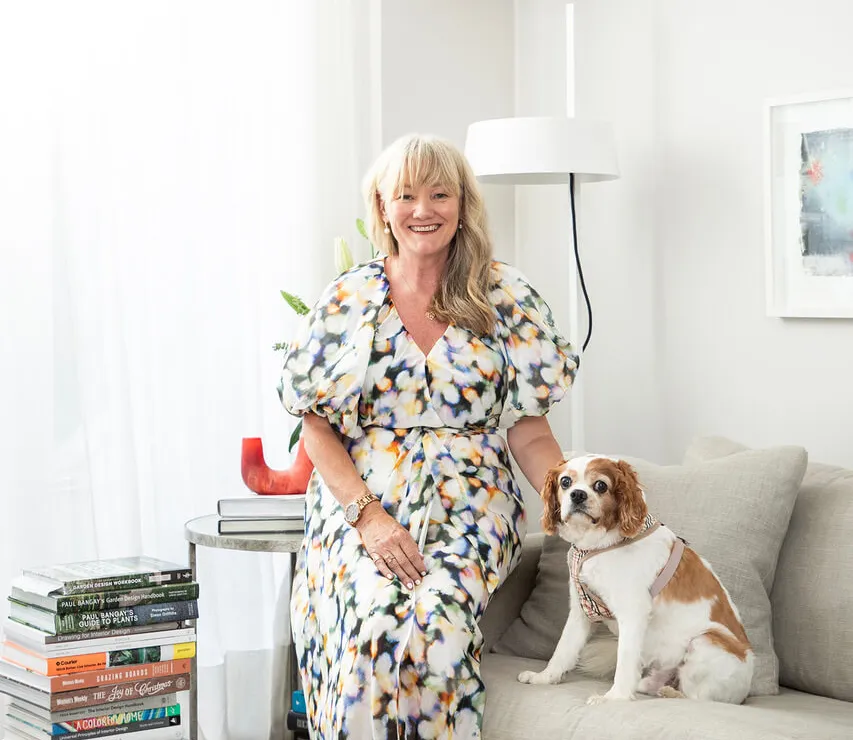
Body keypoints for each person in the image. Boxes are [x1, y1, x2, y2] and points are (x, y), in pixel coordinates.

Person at [280, 133, 578, 739]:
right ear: (383, 207)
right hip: (362, 503)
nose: (424, 210)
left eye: (441, 194)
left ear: (463, 204)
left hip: (471, 504)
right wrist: (368, 518)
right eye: (407, 195)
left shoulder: (505, 297)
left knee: (437, 626)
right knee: (372, 629)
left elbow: (527, 431)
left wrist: (579, 507)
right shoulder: (348, 299)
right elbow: (315, 425)